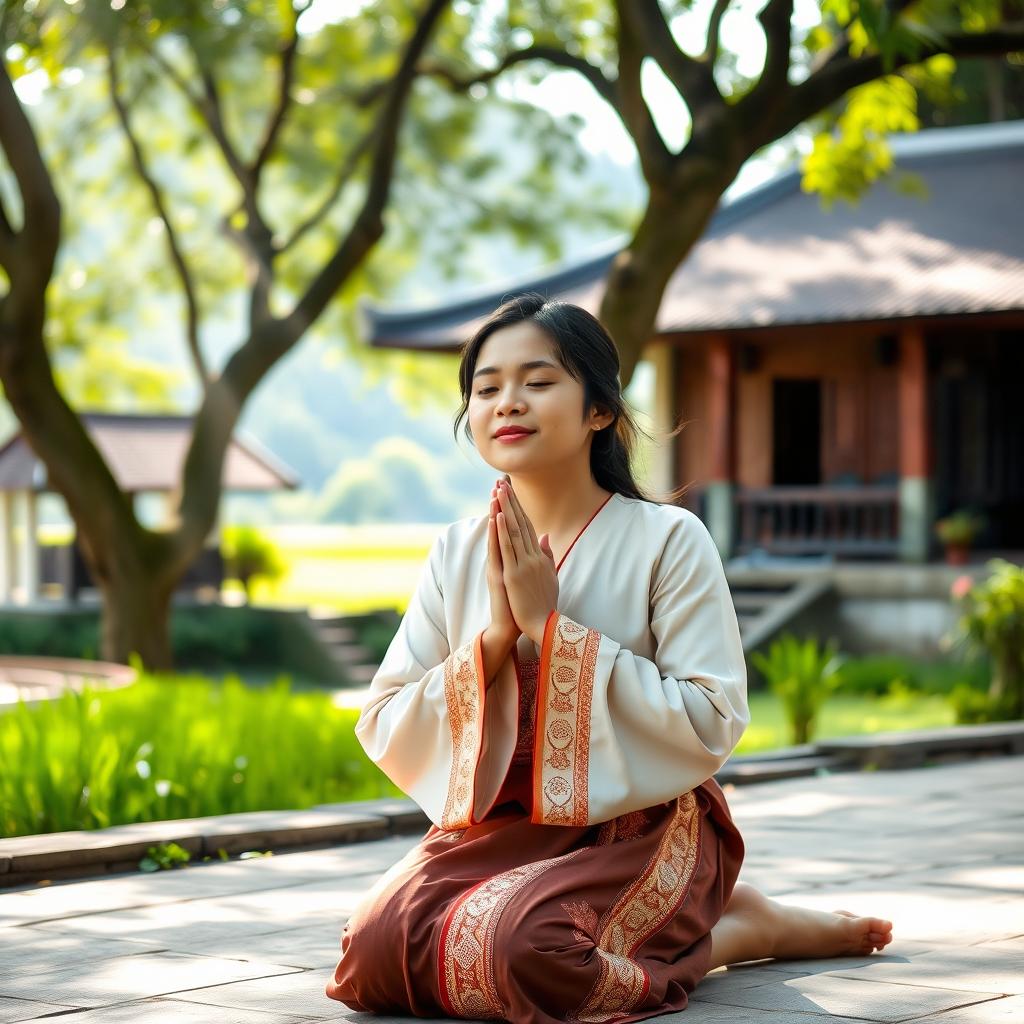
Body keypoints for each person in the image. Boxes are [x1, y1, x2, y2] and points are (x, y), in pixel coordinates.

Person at [325, 294, 893, 1023]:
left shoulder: (669, 539)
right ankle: (722, 922)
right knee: (371, 956)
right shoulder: (457, 550)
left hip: (644, 825)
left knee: (525, 955)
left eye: (538, 380)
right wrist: (496, 642)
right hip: (500, 824)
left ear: (599, 410)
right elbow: (385, 712)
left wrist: (551, 628)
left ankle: (731, 930)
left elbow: (712, 715)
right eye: (487, 387)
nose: (508, 402)